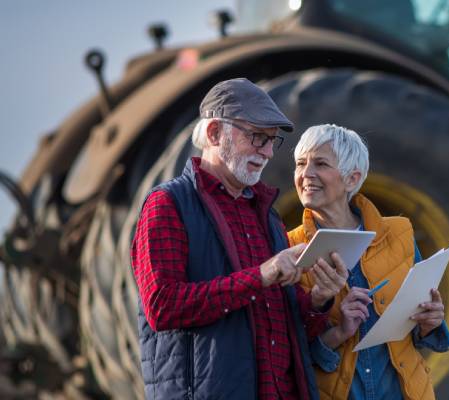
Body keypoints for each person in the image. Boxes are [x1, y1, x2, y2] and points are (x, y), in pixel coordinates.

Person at [130, 79, 349, 400]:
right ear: (215, 133)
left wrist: (318, 299)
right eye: (257, 137)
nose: (268, 152)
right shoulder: (167, 204)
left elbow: (280, 320)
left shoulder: (268, 217)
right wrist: (261, 275)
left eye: (272, 141)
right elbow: (162, 307)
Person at [288, 124, 449, 400]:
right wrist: (339, 330)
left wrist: (431, 322)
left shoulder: (399, 233)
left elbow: (417, 331)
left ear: (352, 179)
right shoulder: (288, 249)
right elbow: (288, 354)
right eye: (301, 163)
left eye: (320, 163)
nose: (306, 174)